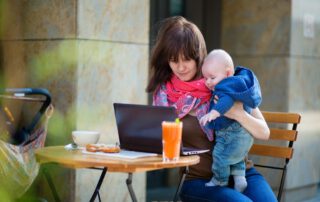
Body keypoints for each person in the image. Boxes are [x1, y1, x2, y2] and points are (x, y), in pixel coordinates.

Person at [146, 16, 277, 202]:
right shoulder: (164, 96)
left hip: (242, 174)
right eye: (174, 60)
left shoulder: (225, 83)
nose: (181, 67)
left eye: (187, 60)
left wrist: (238, 114)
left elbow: (264, 132)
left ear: (198, 56)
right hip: (199, 181)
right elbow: (156, 142)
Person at [199, 49, 262, 192]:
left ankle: (220, 180)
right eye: (205, 78)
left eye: (212, 78)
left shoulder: (226, 86)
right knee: (236, 158)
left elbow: (226, 101)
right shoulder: (239, 86)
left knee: (220, 155)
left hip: (230, 132)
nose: (208, 82)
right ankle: (240, 179)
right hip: (244, 134)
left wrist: (213, 113)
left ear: (228, 73)